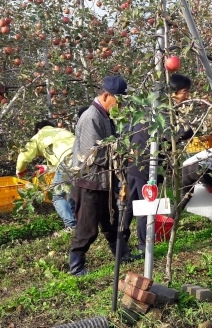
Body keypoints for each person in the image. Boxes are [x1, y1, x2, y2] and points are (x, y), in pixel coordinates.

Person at [122, 74, 194, 254]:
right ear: (173, 94)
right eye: (184, 92)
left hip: (135, 162)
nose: (187, 97)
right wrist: (185, 132)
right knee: (144, 206)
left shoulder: (150, 107)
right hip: (147, 164)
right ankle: (143, 247)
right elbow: (170, 137)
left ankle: (121, 246)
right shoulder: (163, 112)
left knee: (130, 206)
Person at [68, 76, 132, 276]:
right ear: (106, 96)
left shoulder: (105, 116)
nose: (120, 105)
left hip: (105, 181)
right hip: (90, 182)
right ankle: (76, 266)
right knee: (87, 227)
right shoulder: (91, 117)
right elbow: (93, 153)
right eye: (118, 100)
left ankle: (123, 256)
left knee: (112, 222)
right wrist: (122, 156)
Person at [16, 120, 77, 234]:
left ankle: (72, 226)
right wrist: (47, 168)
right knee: (73, 190)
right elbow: (58, 157)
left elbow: (23, 157)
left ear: (38, 129)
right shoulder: (61, 131)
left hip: (67, 160)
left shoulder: (39, 136)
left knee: (57, 196)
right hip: (84, 157)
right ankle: (79, 220)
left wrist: (19, 170)